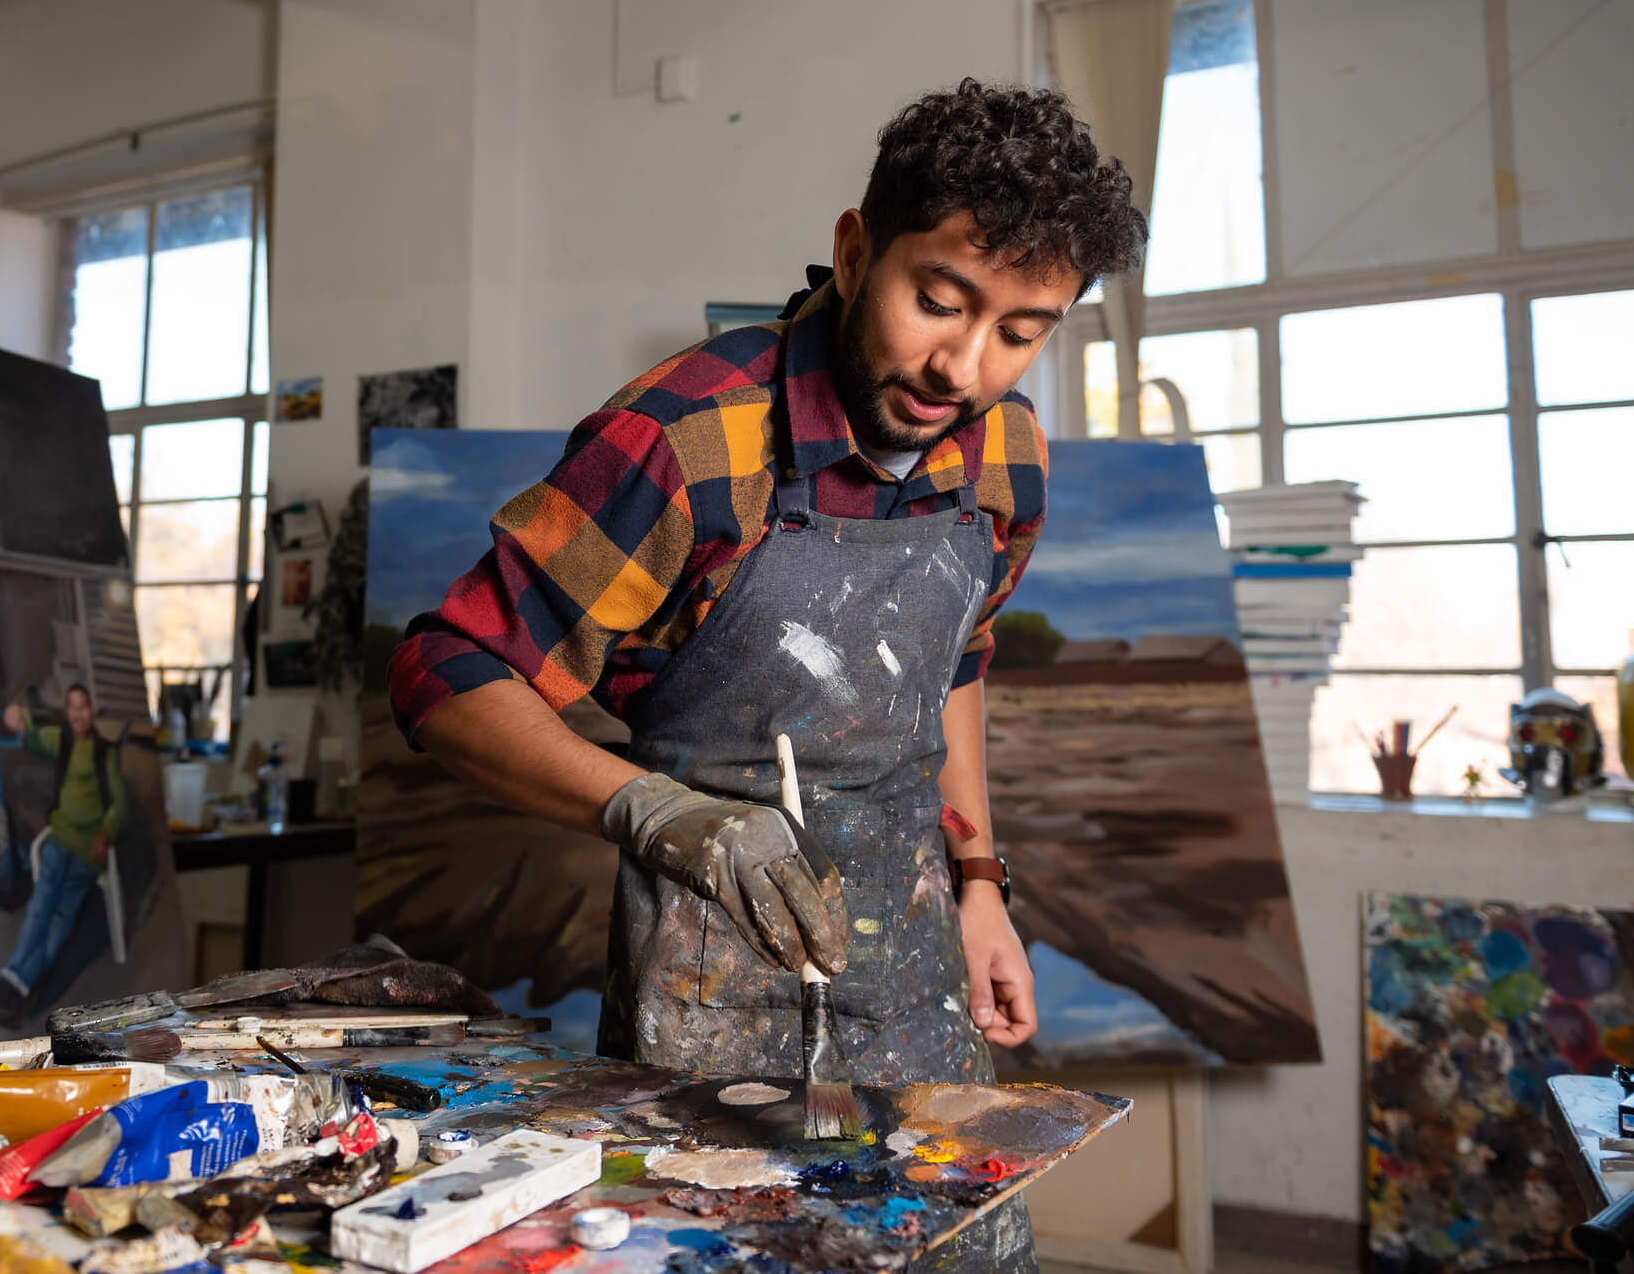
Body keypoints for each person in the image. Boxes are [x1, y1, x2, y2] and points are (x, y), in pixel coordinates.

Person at [387, 79, 1146, 1272]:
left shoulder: (1006, 456)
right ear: (854, 253)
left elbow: (952, 664)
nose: (962, 365)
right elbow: (444, 669)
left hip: (913, 975)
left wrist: (980, 880)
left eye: (1020, 328)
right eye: (936, 302)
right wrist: (656, 809)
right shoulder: (684, 442)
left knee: (957, 1250)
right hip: (708, 987)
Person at [0, 683, 127, 1030]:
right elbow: (35, 736)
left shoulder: (106, 752)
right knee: (43, 902)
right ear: (68, 713)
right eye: (73, 707)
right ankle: (13, 990)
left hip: (87, 848)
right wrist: (18, 718)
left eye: (84, 707)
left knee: (60, 916)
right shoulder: (64, 740)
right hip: (59, 837)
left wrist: (106, 832)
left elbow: (120, 803)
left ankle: (11, 991)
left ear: (92, 712)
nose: (79, 714)